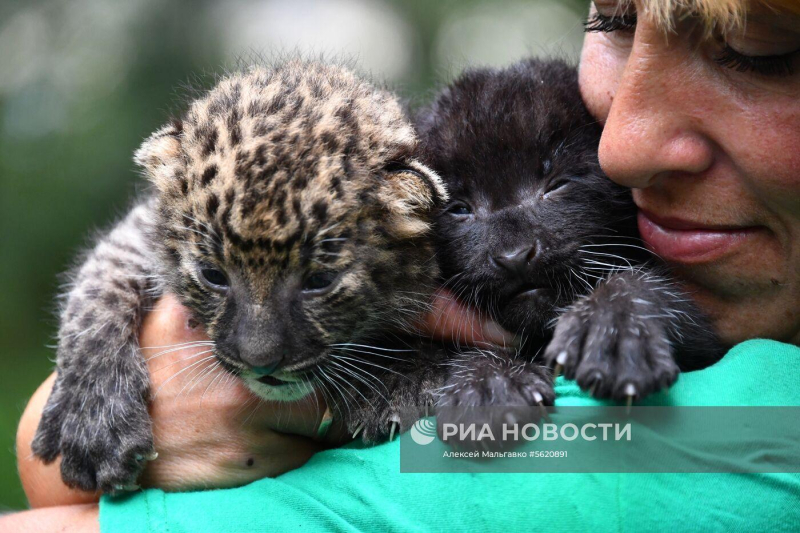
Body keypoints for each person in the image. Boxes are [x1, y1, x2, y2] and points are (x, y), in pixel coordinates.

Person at [5, 0, 799, 530]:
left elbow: (54, 486)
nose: (622, 147)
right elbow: (129, 267)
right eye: (614, 19)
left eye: (762, 50)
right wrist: (95, 364)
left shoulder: (760, 446)